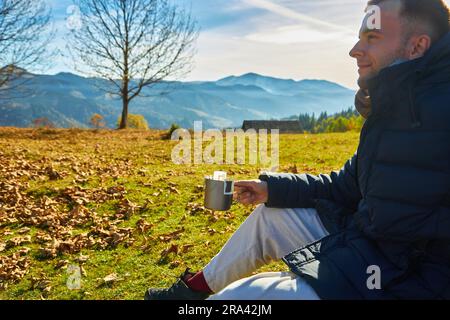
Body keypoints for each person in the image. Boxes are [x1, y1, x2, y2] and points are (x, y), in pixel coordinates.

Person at [145, 0, 450, 300]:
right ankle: (193, 291)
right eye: (359, 38)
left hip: (405, 280)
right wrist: (271, 188)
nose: (355, 50)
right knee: (271, 217)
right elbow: (345, 185)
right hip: (369, 249)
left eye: (372, 38)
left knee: (247, 296)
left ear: (416, 47)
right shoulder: (393, 109)